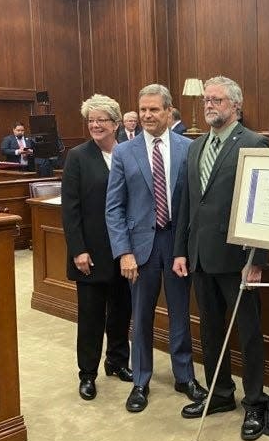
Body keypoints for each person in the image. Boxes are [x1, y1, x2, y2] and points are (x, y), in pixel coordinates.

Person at [172, 75, 269, 441]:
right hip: (200, 257)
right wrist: (180, 250)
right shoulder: (195, 147)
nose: (209, 105)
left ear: (235, 105)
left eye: (217, 99)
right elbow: (186, 203)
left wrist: (258, 258)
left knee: (248, 334)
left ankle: (256, 402)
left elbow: (265, 206)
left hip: (238, 260)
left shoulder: (255, 142)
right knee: (211, 331)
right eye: (206, 100)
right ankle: (220, 394)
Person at [106, 84, 207, 413]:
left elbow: (193, 202)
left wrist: (187, 246)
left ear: (168, 112)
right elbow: (114, 208)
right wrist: (124, 252)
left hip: (177, 245)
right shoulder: (124, 151)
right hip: (140, 248)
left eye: (154, 110)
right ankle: (140, 380)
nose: (147, 115)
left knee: (180, 313)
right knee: (142, 315)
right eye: (143, 109)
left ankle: (184, 376)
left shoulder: (188, 148)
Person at [61, 95, 133, 401]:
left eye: (101, 119)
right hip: (90, 253)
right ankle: (87, 373)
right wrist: (78, 249)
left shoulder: (129, 154)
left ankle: (117, 362)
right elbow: (70, 208)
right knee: (91, 317)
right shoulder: (77, 156)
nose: (95, 125)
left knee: (121, 311)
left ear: (116, 123)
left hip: (124, 251)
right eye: (91, 120)